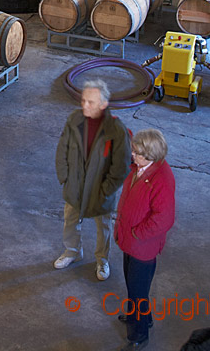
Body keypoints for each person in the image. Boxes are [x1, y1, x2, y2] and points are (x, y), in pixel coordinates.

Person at [54, 80, 131, 281]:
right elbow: (62, 148)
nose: (84, 105)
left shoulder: (116, 130)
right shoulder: (74, 120)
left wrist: (106, 190)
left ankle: (102, 259)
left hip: (100, 190)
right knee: (70, 220)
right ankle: (72, 251)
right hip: (75, 187)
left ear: (103, 105)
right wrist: (65, 178)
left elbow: (121, 166)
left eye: (91, 102)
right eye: (84, 101)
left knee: (103, 227)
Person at [114, 129, 176, 350]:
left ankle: (138, 336)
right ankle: (143, 319)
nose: (133, 155)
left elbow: (164, 219)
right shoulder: (140, 167)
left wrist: (137, 233)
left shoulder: (162, 179)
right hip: (130, 242)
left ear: (151, 155)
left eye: (137, 153)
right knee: (135, 286)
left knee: (137, 292)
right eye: (133, 150)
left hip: (142, 247)